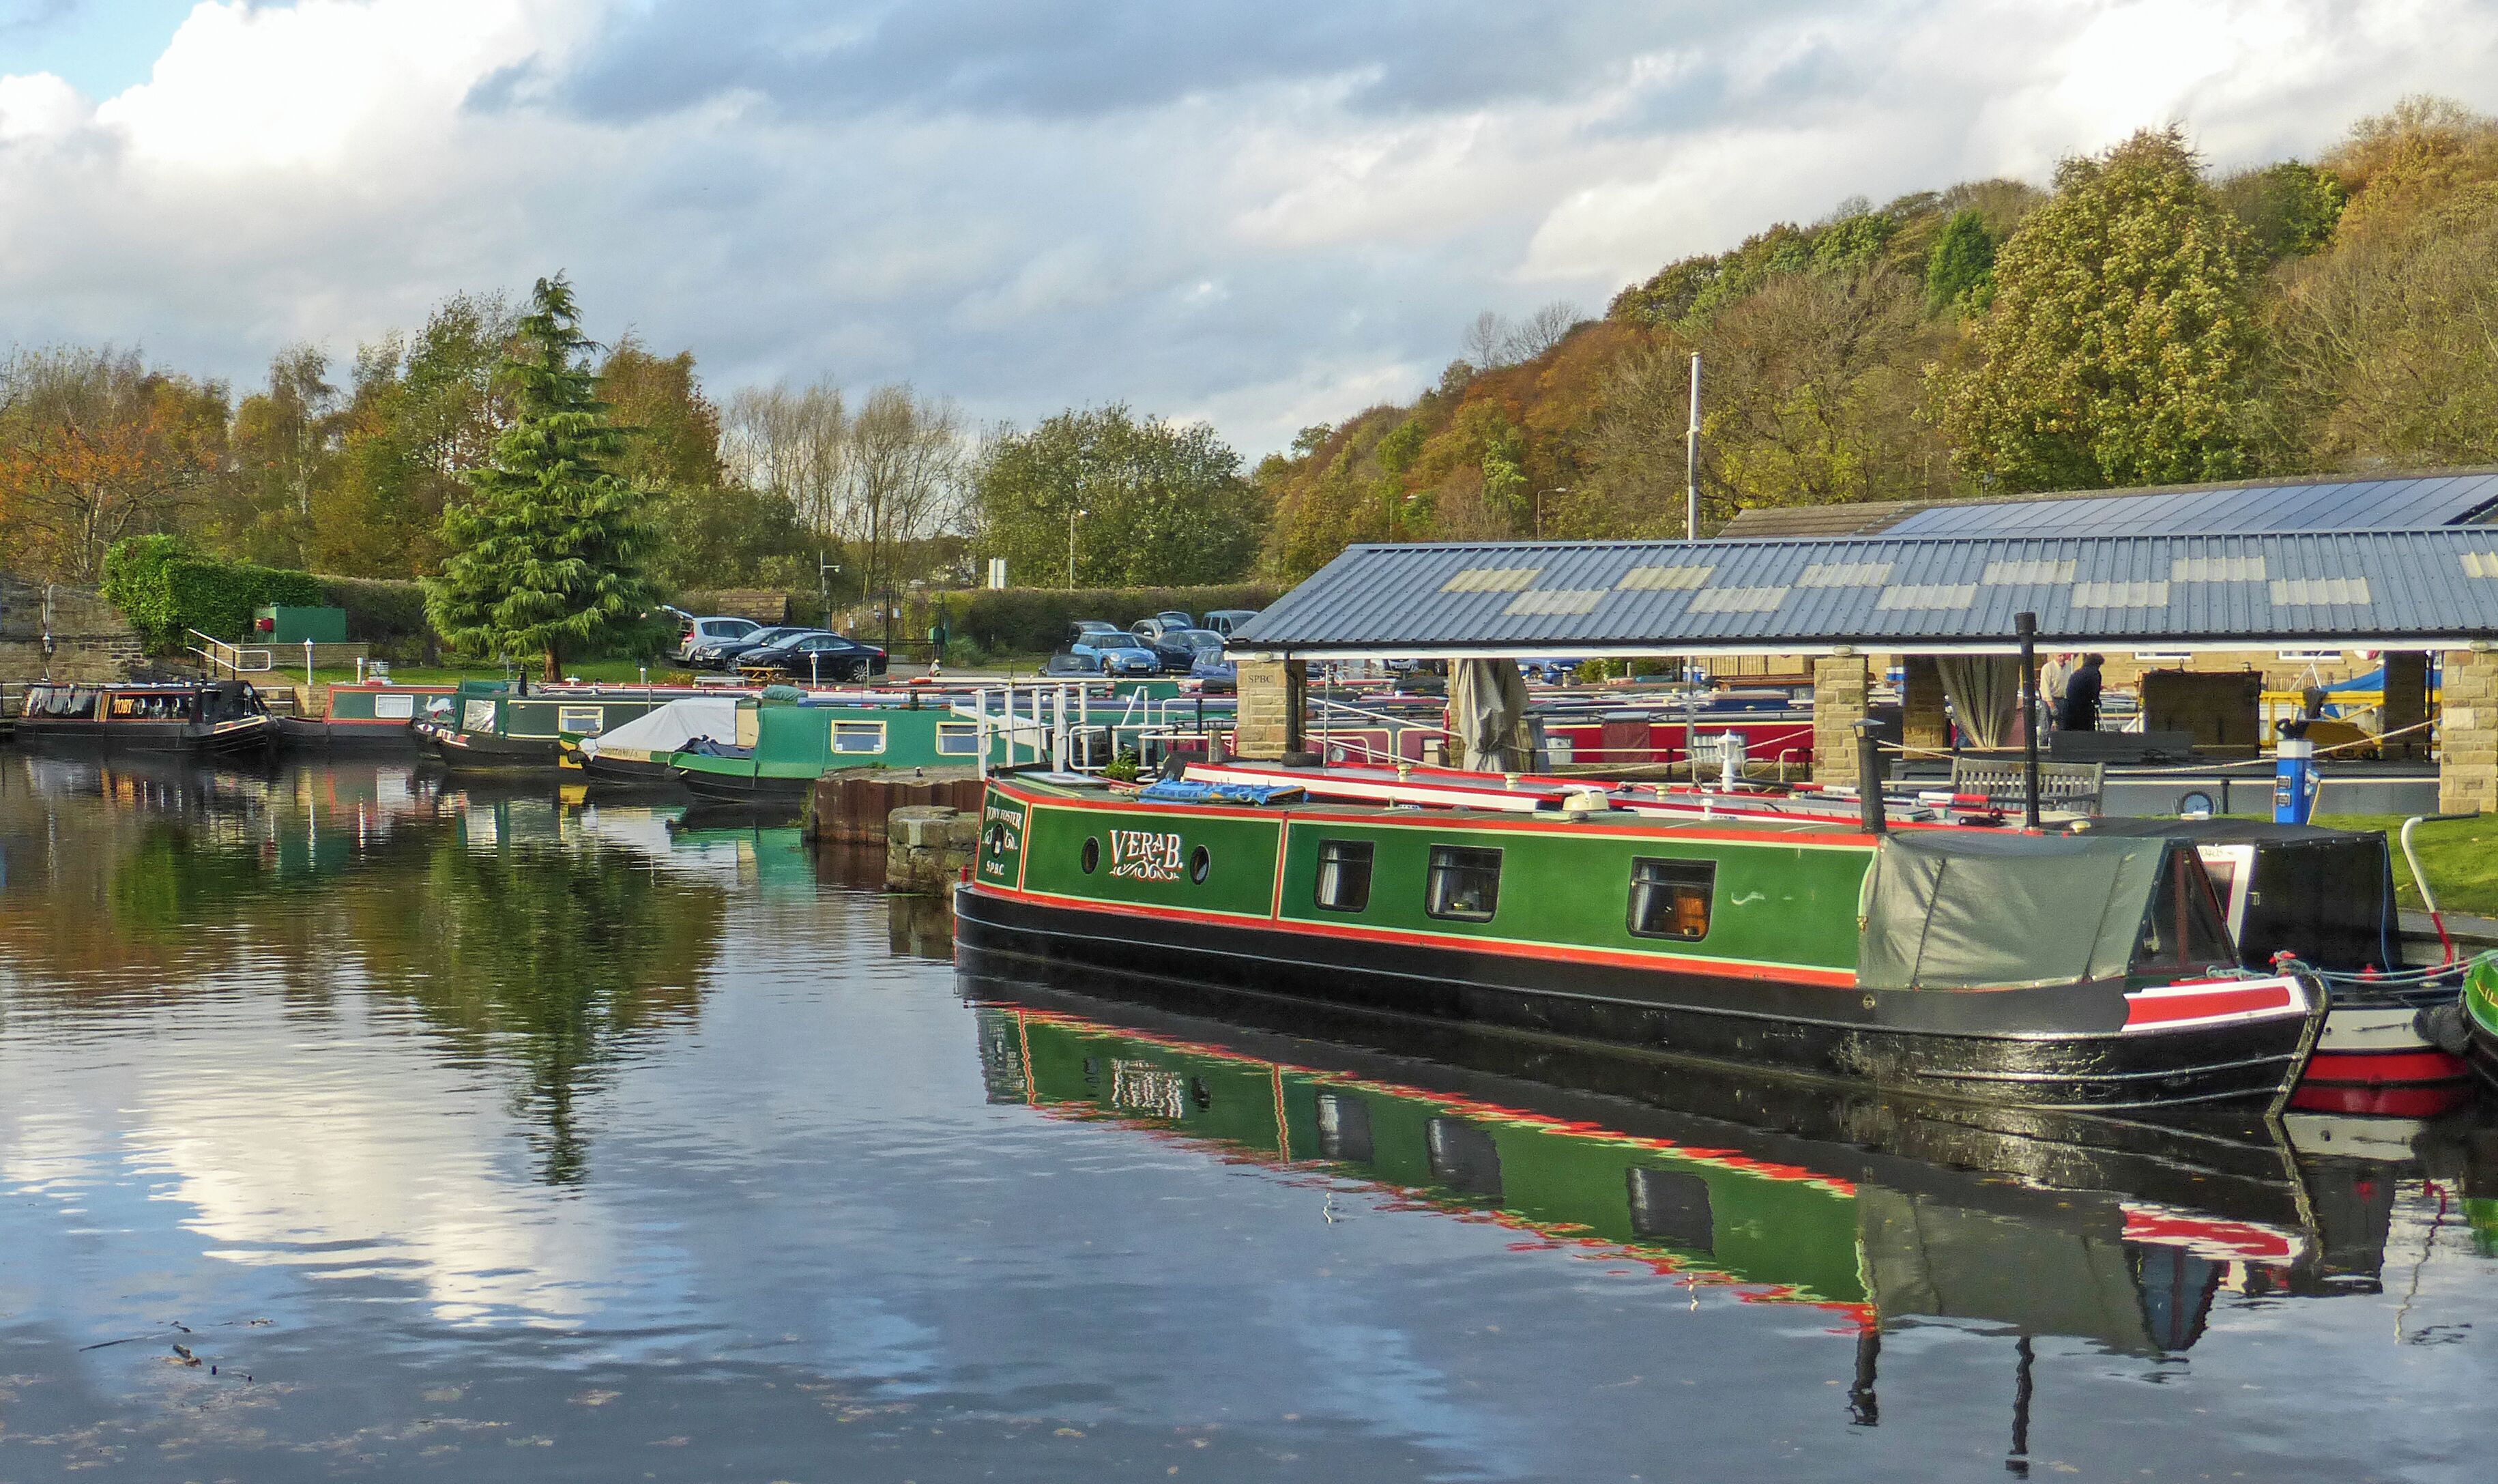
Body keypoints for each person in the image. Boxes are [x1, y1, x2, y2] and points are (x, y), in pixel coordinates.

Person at [2058, 654, 2104, 732]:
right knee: (2086, 732)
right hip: (2084, 708)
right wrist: (2097, 702)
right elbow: (2095, 692)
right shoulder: (2094, 673)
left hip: (2069, 707)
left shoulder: (2077, 673)